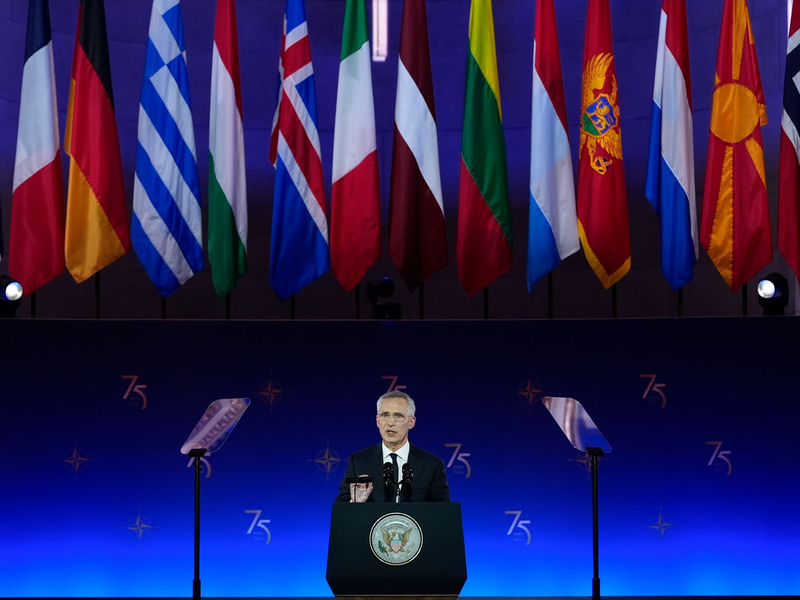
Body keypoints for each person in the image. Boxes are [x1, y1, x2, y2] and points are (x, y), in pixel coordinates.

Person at [335, 391, 450, 502]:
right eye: (385, 415)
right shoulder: (359, 461)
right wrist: (355, 503)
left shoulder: (432, 465)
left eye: (398, 416)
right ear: (377, 421)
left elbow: (443, 514)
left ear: (411, 422)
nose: (390, 422)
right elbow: (341, 508)